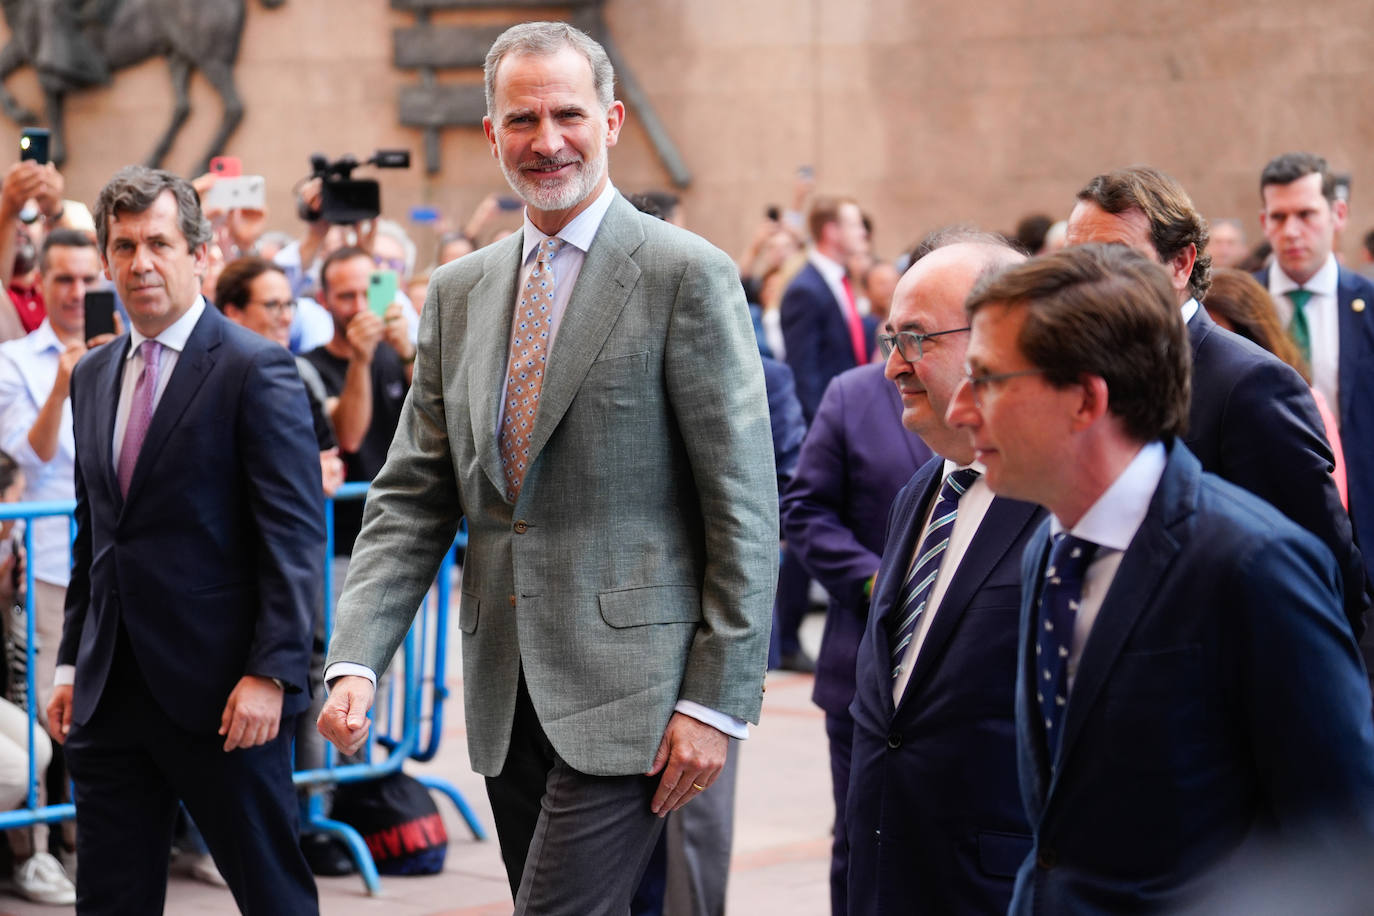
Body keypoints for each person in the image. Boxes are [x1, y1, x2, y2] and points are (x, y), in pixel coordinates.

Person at [316, 21, 777, 915]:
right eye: (521, 119)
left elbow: (745, 506)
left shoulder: (686, 275)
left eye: (567, 113)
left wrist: (717, 704)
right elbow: (414, 494)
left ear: (610, 121)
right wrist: (358, 659)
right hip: (506, 698)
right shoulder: (460, 291)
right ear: (492, 133)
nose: (546, 140)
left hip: (639, 699)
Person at [946, 242, 1374, 914]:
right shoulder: (1051, 547)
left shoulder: (1253, 566)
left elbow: (1341, 839)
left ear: (1086, 400)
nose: (960, 409)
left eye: (990, 380)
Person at [45, 166, 324, 915]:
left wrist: (272, 671)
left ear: (197, 252)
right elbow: (95, 535)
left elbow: (295, 539)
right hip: (111, 694)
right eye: (125, 245)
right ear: (107, 258)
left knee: (272, 894)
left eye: (159, 243)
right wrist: (72, 662)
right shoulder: (94, 374)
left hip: (226, 694)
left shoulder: (253, 367)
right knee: (109, 901)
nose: (141, 263)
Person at [1065, 165, 1369, 640]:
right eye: (1077, 259)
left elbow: (1319, 568)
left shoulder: (1250, 383)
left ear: (1181, 263)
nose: (1088, 280)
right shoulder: (1076, 376)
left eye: (1116, 257)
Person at [845, 236, 1043, 916]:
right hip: (884, 875)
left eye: (917, 340)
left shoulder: (1061, 505)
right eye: (890, 340)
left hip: (993, 886)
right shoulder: (922, 491)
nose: (893, 366)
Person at [779, 352, 932, 916]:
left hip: (969, 688)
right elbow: (805, 509)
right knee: (861, 842)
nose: (899, 353)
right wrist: (876, 581)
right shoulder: (854, 394)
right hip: (864, 664)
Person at [1256, 152, 1374, 589]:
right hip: (1266, 525)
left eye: (1306, 214)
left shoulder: (1368, 304)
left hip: (1360, 529)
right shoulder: (1236, 309)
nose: (1291, 231)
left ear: (1337, 214)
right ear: (1264, 221)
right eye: (1279, 216)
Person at [300, 245, 413, 556]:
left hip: (401, 536)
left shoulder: (395, 355)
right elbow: (349, 437)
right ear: (323, 300)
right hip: (342, 542)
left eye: (367, 293)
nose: (360, 306)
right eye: (346, 296)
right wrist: (360, 361)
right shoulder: (308, 367)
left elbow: (441, 411)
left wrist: (407, 351)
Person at [1203, 268, 1347, 507]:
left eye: (1219, 336)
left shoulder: (1303, 402)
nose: (1207, 349)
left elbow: (1330, 503)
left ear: (1251, 337)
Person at [781, 195, 873, 423]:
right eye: (854, 224)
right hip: (829, 420)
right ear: (831, 231)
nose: (863, 232)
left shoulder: (840, 279)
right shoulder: (805, 290)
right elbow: (804, 374)